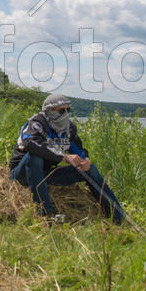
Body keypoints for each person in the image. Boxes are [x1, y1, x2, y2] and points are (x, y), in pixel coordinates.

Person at [9, 93, 125, 225]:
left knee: (90, 169)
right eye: (61, 110)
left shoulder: (69, 128)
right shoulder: (36, 123)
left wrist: (84, 160)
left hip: (46, 174)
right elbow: (31, 144)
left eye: (68, 110)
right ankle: (46, 214)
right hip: (22, 174)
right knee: (34, 157)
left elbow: (78, 149)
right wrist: (63, 156)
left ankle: (117, 216)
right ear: (49, 111)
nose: (65, 114)